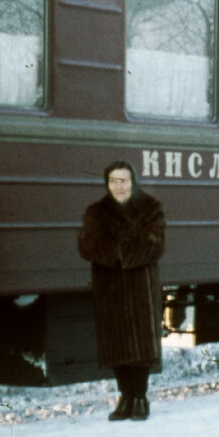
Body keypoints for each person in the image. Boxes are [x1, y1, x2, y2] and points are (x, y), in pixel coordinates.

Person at [78, 161, 166, 422]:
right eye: (114, 181)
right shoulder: (96, 212)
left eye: (124, 181)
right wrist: (120, 253)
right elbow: (86, 245)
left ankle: (140, 397)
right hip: (111, 288)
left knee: (140, 344)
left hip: (140, 288)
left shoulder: (150, 208)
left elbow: (155, 244)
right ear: (107, 184)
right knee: (117, 344)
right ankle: (125, 397)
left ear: (133, 182)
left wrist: (120, 255)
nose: (119, 186)